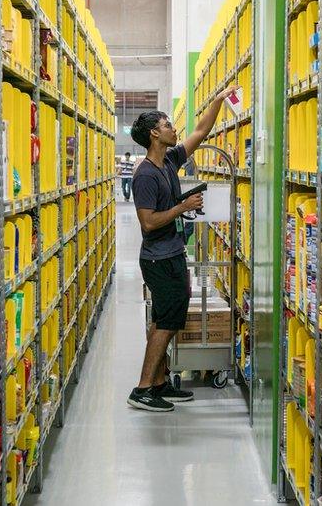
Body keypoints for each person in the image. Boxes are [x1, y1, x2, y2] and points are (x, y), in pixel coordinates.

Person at [126, 85, 238, 412]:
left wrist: (217, 100)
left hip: (172, 254)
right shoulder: (146, 174)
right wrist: (182, 205)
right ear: (154, 134)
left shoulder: (170, 160)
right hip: (158, 259)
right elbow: (148, 222)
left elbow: (202, 131)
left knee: (168, 320)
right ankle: (143, 388)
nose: (174, 129)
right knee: (165, 323)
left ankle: (159, 383)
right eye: (168, 125)